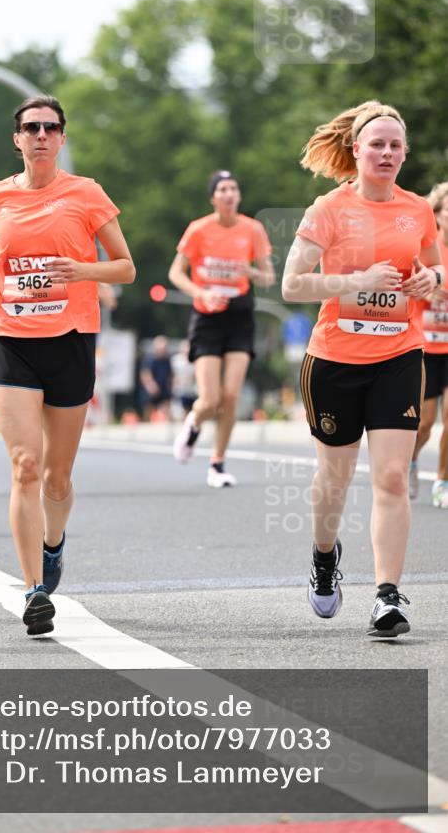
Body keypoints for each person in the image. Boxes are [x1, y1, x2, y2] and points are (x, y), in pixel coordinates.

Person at [0, 95, 135, 636]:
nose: (40, 135)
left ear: (61, 138)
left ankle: (53, 544)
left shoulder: (86, 194)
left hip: (70, 340)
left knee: (57, 477)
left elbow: (126, 268)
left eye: (50, 128)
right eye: (30, 128)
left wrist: (80, 270)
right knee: (25, 466)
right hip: (9, 336)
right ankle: (35, 589)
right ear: (17, 139)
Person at [282, 101, 444, 638]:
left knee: (394, 475)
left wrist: (431, 282)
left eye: (396, 145)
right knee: (335, 478)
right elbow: (292, 284)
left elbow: (436, 267)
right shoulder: (328, 208)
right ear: (355, 150)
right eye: (377, 144)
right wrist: (353, 283)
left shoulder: (417, 209)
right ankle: (324, 556)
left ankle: (386, 596)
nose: (387, 153)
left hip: (399, 352)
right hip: (334, 361)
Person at [169, 170, 274, 487]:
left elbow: (268, 277)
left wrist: (251, 272)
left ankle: (217, 464)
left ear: (238, 196)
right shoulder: (199, 230)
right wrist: (201, 293)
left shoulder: (253, 229)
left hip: (239, 316)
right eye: (223, 189)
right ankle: (194, 423)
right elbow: (176, 273)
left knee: (231, 396)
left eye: (234, 188)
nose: (229, 193)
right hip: (207, 318)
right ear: (213, 197)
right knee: (210, 399)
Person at [409, 181, 448, 507]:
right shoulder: (427, 251)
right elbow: (407, 289)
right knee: (424, 422)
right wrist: (428, 288)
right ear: (437, 214)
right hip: (426, 347)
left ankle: (442, 481)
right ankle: (410, 460)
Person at [139, 335, 173, 421]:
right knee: (149, 409)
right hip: (152, 388)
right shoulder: (149, 359)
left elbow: (170, 375)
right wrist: (151, 385)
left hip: (163, 387)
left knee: (166, 408)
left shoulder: (167, 360)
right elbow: (145, 374)